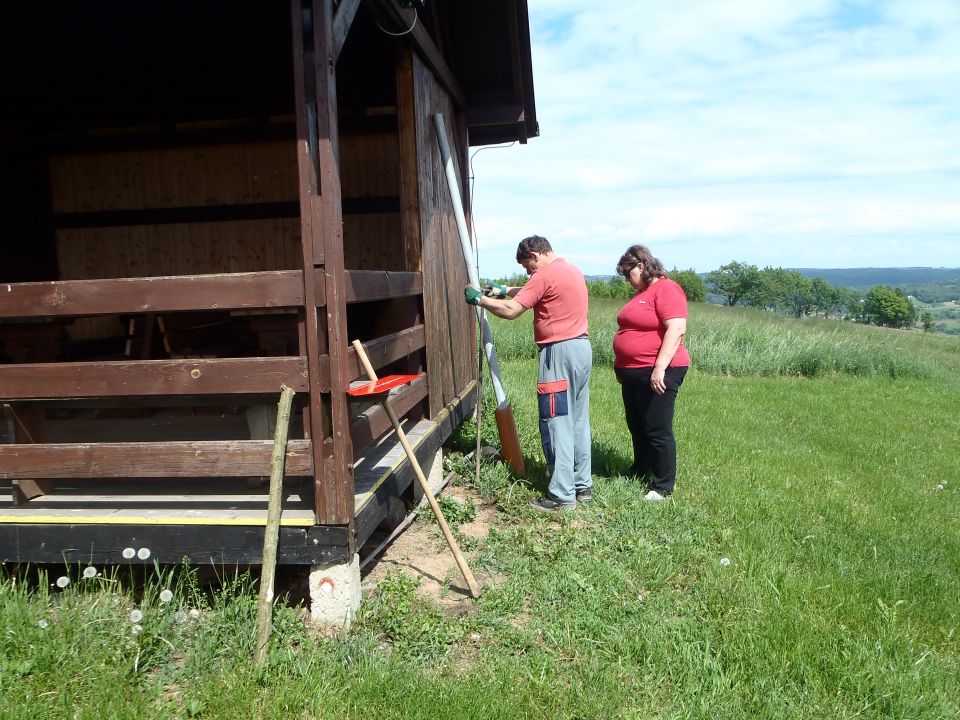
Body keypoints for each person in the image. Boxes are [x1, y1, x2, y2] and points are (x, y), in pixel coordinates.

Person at [464, 235, 592, 512]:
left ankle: (561, 495)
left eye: (527, 266)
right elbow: (532, 289)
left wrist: (481, 300)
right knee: (578, 420)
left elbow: (512, 311)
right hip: (581, 350)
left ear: (535, 255)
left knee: (557, 420)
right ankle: (583, 485)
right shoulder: (571, 270)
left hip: (558, 353)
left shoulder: (544, 274)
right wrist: (504, 289)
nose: (529, 272)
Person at [612, 244, 690, 501]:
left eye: (627, 273)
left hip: (661, 369)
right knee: (637, 425)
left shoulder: (667, 288)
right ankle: (640, 469)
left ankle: (663, 485)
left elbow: (677, 328)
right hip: (634, 372)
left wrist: (659, 367)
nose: (626, 279)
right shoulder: (642, 292)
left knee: (657, 428)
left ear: (641, 266)